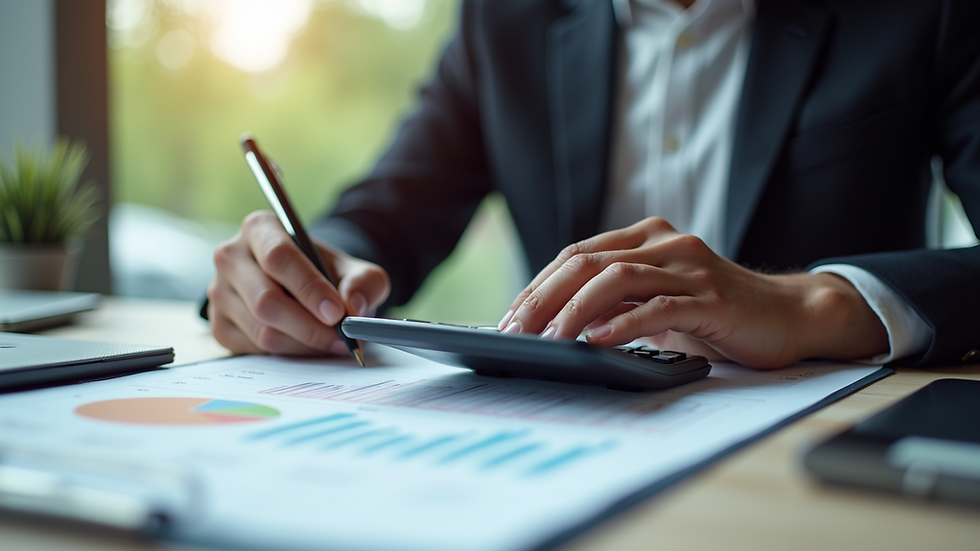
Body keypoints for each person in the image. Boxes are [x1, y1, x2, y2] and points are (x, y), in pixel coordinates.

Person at [206, 0, 980, 369]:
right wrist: (308, 268)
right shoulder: (505, 21)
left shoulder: (925, 13)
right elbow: (391, 209)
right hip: (568, 443)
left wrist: (811, 301)